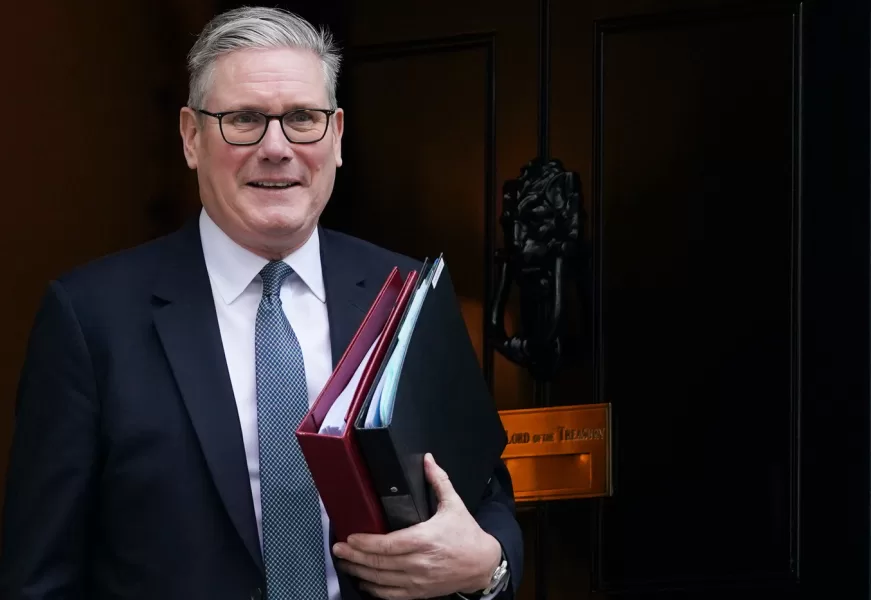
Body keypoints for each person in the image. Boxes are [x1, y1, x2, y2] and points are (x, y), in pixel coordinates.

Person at [0, 6, 523, 600]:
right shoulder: (91, 320)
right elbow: (39, 575)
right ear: (191, 137)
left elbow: (486, 498)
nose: (276, 148)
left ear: (338, 136)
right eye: (244, 119)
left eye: (303, 118)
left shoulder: (406, 292)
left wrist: (489, 566)